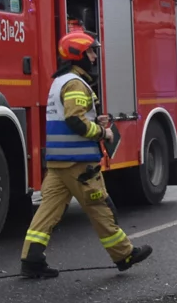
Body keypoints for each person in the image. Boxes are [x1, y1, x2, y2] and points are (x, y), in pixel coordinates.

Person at [19, 31, 153, 278]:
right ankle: (124, 254)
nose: (93, 57)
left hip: (60, 163)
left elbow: (71, 115)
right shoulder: (75, 83)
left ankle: (32, 258)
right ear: (78, 55)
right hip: (79, 163)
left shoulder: (60, 81)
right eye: (90, 52)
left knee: (47, 211)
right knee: (100, 206)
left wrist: (94, 119)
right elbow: (74, 119)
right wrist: (103, 132)